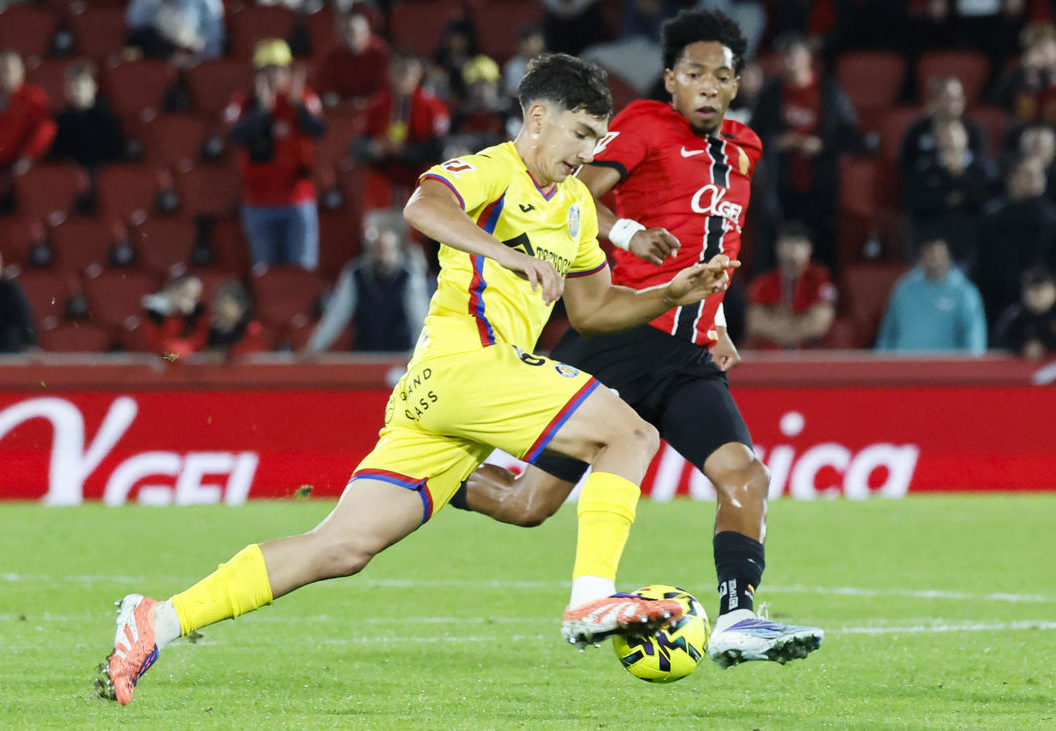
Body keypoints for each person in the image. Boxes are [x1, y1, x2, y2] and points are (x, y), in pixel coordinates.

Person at [101, 53, 738, 706]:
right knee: (630, 434)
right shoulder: (493, 169)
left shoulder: (575, 205)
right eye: (579, 133)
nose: (587, 153)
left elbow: (594, 311)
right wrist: (505, 254)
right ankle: (591, 598)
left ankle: (158, 619)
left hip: (446, 397)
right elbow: (422, 206)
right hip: (468, 363)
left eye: (596, 138)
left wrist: (669, 294)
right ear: (537, 120)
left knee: (340, 547)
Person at [451, 9, 824, 669]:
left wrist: (719, 322)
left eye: (721, 76)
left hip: (689, 353)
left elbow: (716, 243)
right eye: (694, 73)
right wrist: (626, 233)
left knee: (745, 474)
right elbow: (572, 195)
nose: (708, 86)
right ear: (671, 78)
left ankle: (738, 619)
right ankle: (427, 472)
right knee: (526, 503)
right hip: (621, 338)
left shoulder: (746, 148)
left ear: (738, 83)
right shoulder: (645, 123)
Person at [750, 33, 869, 270]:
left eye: (795, 54)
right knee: (775, 253)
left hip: (821, 188)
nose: (790, 60)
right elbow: (751, 135)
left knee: (821, 254)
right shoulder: (770, 94)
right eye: (785, 55)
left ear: (808, 57)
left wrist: (821, 144)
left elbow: (852, 137)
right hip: (781, 189)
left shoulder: (829, 91)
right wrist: (777, 142)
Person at [227, 39, 325, 272]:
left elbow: (318, 130)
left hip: (297, 199)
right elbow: (236, 136)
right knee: (264, 276)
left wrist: (298, 105)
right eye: (267, 71)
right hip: (258, 202)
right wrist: (262, 110)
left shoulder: (303, 98)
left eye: (279, 70)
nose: (273, 76)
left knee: (302, 274)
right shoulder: (245, 102)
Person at [306, 215, 431, 354]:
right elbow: (337, 314)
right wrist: (314, 346)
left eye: (384, 250)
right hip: (364, 353)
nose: (379, 256)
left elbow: (419, 317)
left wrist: (427, 352)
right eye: (374, 250)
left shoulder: (409, 276)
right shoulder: (355, 274)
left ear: (395, 251)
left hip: (400, 353)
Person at [974, 156, 1056, 325]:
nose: (1036, 180)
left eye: (1040, 175)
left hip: (1043, 303)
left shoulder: (1054, 218)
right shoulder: (992, 217)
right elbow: (983, 265)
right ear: (1012, 179)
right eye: (1028, 175)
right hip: (1000, 302)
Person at [350, 52, 451, 214]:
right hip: (382, 190)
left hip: (419, 189)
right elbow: (357, 146)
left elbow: (438, 148)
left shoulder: (431, 106)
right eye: (399, 70)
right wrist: (374, 148)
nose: (403, 75)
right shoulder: (376, 104)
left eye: (408, 70)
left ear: (419, 73)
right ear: (389, 73)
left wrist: (403, 151)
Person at [902, 118, 998, 267]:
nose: (949, 141)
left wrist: (957, 176)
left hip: (974, 248)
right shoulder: (925, 169)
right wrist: (953, 196)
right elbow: (914, 202)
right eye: (944, 136)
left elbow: (987, 200)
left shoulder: (982, 169)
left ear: (965, 137)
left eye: (954, 135)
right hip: (934, 250)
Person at [876, 238, 987, 353]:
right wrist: (881, 358)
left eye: (938, 257)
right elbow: (888, 332)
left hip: (945, 362)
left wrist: (973, 362)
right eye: (929, 257)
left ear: (948, 259)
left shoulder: (964, 292)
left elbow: (975, 340)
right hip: (904, 361)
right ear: (921, 260)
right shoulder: (904, 288)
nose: (934, 263)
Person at [744, 222, 837, 349]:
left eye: (799, 243)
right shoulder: (764, 283)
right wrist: (789, 332)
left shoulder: (820, 278)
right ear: (777, 247)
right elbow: (754, 321)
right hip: (773, 349)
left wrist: (786, 331)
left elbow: (820, 322)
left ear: (809, 249)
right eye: (788, 242)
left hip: (811, 349)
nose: (793, 248)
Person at [898, 77, 988, 180]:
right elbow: (906, 167)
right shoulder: (918, 130)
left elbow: (985, 167)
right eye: (947, 99)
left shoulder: (972, 129)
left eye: (957, 99)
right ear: (935, 101)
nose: (953, 104)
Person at [48, 63, 126, 172]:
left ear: (94, 87)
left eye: (81, 85)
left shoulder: (108, 119)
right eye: (72, 85)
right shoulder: (59, 120)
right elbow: (56, 157)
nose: (76, 90)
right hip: (69, 175)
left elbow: (115, 155)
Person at [990, 266, 1056, 360]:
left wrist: (1047, 348)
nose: (1037, 295)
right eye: (1031, 290)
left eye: (1042, 289)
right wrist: (1022, 347)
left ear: (1055, 293)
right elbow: (998, 342)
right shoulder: (1016, 316)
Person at [312, 12, 390, 107]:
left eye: (356, 33)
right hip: (344, 108)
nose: (352, 37)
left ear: (367, 33)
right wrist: (332, 97)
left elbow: (384, 89)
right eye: (347, 32)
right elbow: (324, 86)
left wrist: (368, 101)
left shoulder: (380, 53)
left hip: (373, 107)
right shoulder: (335, 55)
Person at [125, 0, 225, 65]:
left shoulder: (207, 2)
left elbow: (214, 42)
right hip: (158, 63)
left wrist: (191, 49)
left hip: (196, 63)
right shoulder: (145, 3)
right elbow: (135, 26)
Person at [140, 273, 206, 358]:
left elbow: (199, 342)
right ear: (172, 290)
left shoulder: (198, 314)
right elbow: (155, 346)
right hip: (162, 360)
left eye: (195, 297)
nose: (190, 301)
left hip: (187, 359)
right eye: (186, 294)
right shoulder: (154, 313)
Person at [205, 280, 268, 359]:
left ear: (241, 306)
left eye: (225, 302)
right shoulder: (211, 330)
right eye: (217, 301)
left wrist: (225, 354)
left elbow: (253, 356)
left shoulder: (252, 329)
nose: (218, 306)